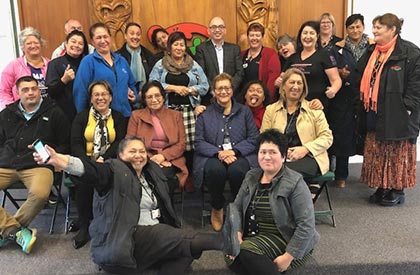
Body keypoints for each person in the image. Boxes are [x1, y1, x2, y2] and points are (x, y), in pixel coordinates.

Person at [33, 137, 225, 274]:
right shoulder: (113, 171)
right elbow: (91, 170)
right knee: (183, 239)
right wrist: (61, 160)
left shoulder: (153, 173)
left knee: (185, 252)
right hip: (122, 241)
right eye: (132, 151)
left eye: (142, 151)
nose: (139, 155)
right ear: (120, 155)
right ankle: (224, 242)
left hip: (150, 244)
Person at [223, 128, 319, 274]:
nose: (267, 157)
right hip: (255, 235)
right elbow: (236, 208)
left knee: (244, 252)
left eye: (273, 152)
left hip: (286, 239)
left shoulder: (295, 182)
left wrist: (288, 257)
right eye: (263, 152)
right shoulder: (251, 176)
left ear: (283, 156)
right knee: (230, 252)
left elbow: (306, 226)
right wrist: (236, 233)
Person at [0, 76, 70, 254]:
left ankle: (8, 230)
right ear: (18, 93)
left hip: (38, 165)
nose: (30, 93)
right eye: (25, 90)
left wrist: (52, 156)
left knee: (40, 194)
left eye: (34, 88)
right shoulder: (6, 114)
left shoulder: (55, 112)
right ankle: (14, 231)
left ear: (40, 91)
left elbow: (65, 143)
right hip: (7, 164)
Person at [358, 13, 420, 206]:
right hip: (374, 109)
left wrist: (407, 107)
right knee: (378, 149)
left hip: (399, 112)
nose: (374, 30)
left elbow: (416, 85)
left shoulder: (410, 52)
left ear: (392, 29)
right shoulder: (371, 51)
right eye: (374, 27)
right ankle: (382, 185)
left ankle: (397, 188)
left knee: (396, 151)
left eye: (379, 27)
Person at [194, 73, 259, 232]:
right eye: (219, 88)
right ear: (214, 92)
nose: (223, 92)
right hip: (213, 154)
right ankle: (217, 207)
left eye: (227, 88)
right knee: (215, 171)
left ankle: (238, 209)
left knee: (238, 171)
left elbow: (253, 138)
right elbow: (199, 142)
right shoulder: (205, 114)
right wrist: (219, 153)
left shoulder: (244, 111)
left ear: (232, 90)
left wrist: (234, 151)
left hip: (239, 154)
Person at [70, 80, 127, 249]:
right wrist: (87, 162)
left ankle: (101, 220)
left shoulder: (118, 117)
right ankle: (85, 225)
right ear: (91, 98)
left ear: (110, 97)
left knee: (101, 176)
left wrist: (104, 157)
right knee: (84, 178)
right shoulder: (81, 116)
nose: (100, 98)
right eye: (96, 95)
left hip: (110, 160)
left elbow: (120, 142)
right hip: (85, 160)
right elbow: (75, 143)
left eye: (104, 94)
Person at [149, 31, 209, 191]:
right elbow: (151, 85)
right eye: (176, 44)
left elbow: (205, 87)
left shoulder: (193, 64)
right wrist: (173, 88)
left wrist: (189, 90)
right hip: (167, 111)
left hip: (189, 111)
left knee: (190, 146)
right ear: (169, 47)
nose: (179, 47)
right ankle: (175, 175)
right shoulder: (161, 65)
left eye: (182, 44)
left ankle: (189, 177)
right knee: (171, 144)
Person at [261, 68, 333, 194]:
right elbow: (264, 137)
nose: (295, 87)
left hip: (310, 157)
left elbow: (327, 137)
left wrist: (305, 149)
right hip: (280, 157)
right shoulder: (271, 110)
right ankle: (303, 195)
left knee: (283, 173)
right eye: (292, 82)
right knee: (275, 170)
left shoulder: (314, 110)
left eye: (299, 83)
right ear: (283, 86)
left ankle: (286, 206)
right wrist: (280, 150)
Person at [329, 14, 373, 188]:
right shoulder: (337, 48)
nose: (355, 30)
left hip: (368, 98)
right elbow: (331, 69)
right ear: (346, 30)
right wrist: (339, 73)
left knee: (369, 137)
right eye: (351, 27)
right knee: (343, 136)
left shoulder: (373, 47)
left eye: (358, 26)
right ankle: (341, 176)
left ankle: (370, 176)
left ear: (363, 27)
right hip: (344, 97)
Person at [126, 80, 188, 197]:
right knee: (152, 174)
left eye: (157, 96)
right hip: (143, 159)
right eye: (149, 97)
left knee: (165, 177)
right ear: (144, 99)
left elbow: (181, 144)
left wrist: (163, 156)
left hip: (171, 160)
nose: (154, 100)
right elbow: (130, 143)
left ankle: (164, 213)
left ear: (163, 97)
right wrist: (152, 159)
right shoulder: (136, 116)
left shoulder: (176, 116)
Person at [73, 22, 139, 118]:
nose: (103, 40)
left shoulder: (121, 60)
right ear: (92, 41)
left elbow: (132, 84)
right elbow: (80, 92)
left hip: (125, 116)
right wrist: (82, 118)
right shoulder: (88, 62)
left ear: (110, 38)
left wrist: (135, 96)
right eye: (99, 38)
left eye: (105, 36)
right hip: (100, 119)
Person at [283, 20, 342, 113]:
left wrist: (333, 90)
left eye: (311, 33)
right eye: (305, 33)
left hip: (316, 105)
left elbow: (336, 79)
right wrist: (278, 81)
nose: (308, 36)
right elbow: (282, 78)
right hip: (293, 105)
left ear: (317, 36)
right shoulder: (292, 58)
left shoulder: (324, 56)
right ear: (300, 36)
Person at [195, 16, 244, 103]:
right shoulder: (201, 49)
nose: (217, 30)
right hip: (210, 97)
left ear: (225, 30)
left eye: (220, 27)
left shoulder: (234, 49)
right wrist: (214, 90)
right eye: (214, 27)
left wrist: (229, 89)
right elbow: (201, 73)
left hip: (232, 97)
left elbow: (239, 72)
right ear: (208, 31)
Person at [0, 27, 49, 110]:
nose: (33, 46)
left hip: (47, 110)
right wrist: (12, 110)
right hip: (22, 114)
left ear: (41, 44)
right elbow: (3, 91)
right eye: (29, 43)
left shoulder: (51, 64)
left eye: (36, 42)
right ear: (22, 47)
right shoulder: (13, 66)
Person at [45, 30, 89, 122]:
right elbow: (51, 92)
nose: (77, 45)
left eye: (81, 43)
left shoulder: (89, 63)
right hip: (64, 116)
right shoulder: (55, 64)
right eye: (73, 42)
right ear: (66, 44)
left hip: (87, 114)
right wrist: (63, 81)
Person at [240, 22, 280, 103]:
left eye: (257, 35)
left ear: (262, 37)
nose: (254, 38)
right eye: (251, 35)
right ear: (247, 37)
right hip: (243, 101)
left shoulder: (270, 54)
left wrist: (265, 99)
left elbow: (273, 79)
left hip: (262, 101)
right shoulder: (241, 54)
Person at [117, 22, 154, 92]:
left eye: (138, 34)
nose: (135, 37)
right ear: (125, 36)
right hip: (124, 95)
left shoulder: (148, 55)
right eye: (132, 33)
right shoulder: (117, 57)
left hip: (145, 96)